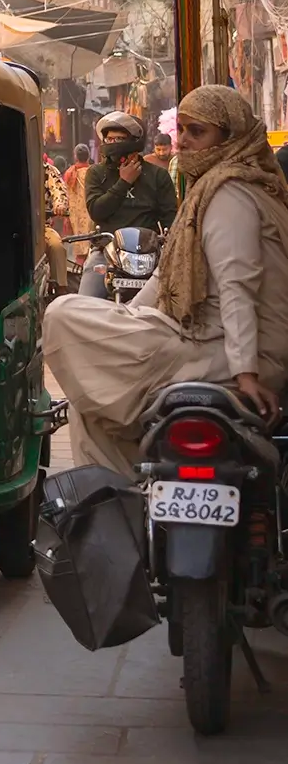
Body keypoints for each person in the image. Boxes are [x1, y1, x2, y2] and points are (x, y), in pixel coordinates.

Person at [44, 86, 288, 477]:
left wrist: (247, 375)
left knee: (61, 313)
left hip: (228, 350)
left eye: (199, 132)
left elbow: (236, 286)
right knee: (89, 411)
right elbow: (164, 274)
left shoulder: (232, 193)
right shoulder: (206, 187)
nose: (186, 141)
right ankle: (129, 509)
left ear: (231, 137)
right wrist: (128, 325)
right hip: (197, 333)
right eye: (184, 130)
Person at [84, 111, 177, 233]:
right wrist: (123, 182)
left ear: (135, 141)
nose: (113, 143)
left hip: (147, 247)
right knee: (95, 254)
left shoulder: (157, 175)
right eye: (109, 139)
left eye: (119, 139)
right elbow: (96, 212)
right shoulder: (96, 172)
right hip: (107, 245)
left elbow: (170, 218)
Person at [63, 143, 95, 263]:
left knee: (80, 252)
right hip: (92, 215)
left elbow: (66, 195)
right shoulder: (94, 172)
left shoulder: (69, 174)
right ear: (88, 156)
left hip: (75, 217)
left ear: (75, 156)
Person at [43, 155, 70, 292]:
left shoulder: (48, 171)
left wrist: (60, 205)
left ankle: (61, 291)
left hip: (41, 228)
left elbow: (59, 191)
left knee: (57, 246)